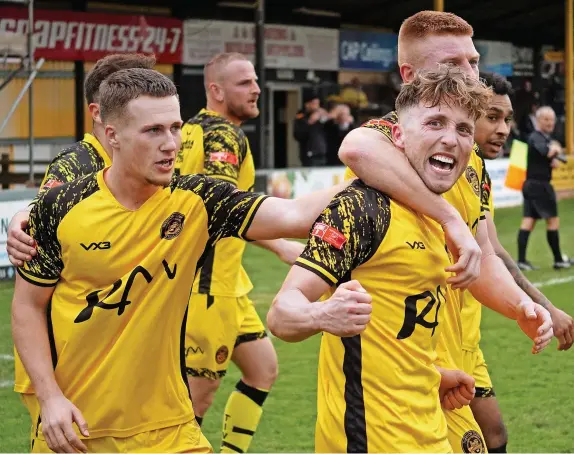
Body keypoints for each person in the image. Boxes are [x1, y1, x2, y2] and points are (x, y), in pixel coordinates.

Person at [12, 67, 351, 453]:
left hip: (170, 428)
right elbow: (27, 306)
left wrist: (382, 165)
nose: (171, 143)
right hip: (80, 428)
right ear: (112, 135)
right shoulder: (62, 206)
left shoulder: (199, 200)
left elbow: (295, 215)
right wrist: (50, 397)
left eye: (175, 128)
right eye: (153, 130)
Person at [337, 11, 554, 453]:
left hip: (455, 347)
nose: (474, 75)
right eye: (456, 65)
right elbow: (354, 146)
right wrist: (449, 217)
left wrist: (520, 307)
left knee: (492, 439)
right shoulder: (393, 139)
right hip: (396, 364)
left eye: (474, 61)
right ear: (409, 75)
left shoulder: (467, 159)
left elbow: (484, 255)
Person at [267, 67, 493, 453]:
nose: (450, 139)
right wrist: (322, 316)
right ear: (399, 136)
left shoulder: (437, 218)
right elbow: (281, 314)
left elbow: (395, 328)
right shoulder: (362, 208)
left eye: (462, 129)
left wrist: (430, 375)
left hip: (430, 431)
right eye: (435, 122)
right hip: (367, 440)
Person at [4, 52, 156, 449]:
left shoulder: (139, 163)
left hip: (107, 347)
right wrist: (23, 214)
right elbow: (41, 219)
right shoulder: (78, 161)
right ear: (99, 111)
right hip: (62, 356)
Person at [177, 52, 303, 453]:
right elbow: (224, 206)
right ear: (216, 90)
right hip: (207, 288)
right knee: (195, 400)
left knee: (262, 369)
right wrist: (287, 226)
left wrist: (279, 246)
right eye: (244, 83)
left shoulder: (186, 132)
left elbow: (225, 209)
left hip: (228, 286)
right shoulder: (224, 135)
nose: (256, 90)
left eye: (255, 81)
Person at [464, 71, 574, 453]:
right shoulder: (440, 174)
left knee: (495, 436)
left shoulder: (477, 173)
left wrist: (546, 307)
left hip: (466, 341)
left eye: (507, 119)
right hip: (430, 344)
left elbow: (492, 249)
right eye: (492, 117)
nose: (503, 129)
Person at [517, 106, 571, 270]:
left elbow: (551, 161)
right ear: (538, 121)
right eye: (546, 119)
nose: (550, 123)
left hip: (533, 185)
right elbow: (548, 152)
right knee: (553, 221)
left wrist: (553, 155)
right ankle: (558, 260)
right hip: (539, 186)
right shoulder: (537, 137)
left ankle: (521, 261)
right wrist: (555, 148)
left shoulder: (543, 138)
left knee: (529, 222)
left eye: (552, 120)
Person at [294, 88, 329, 167]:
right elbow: (298, 135)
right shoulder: (301, 116)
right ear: (307, 104)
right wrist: (310, 121)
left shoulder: (320, 115)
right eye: (314, 103)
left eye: (318, 104)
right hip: (309, 154)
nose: (317, 106)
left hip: (322, 153)